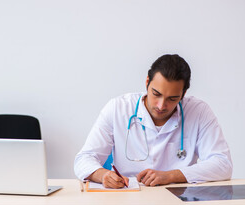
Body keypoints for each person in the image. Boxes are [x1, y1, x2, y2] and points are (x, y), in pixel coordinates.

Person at [74, 54, 232, 189]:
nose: (161, 105)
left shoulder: (199, 111)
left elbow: (222, 164)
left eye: (172, 98)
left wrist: (170, 176)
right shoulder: (118, 108)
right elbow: (84, 159)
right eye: (156, 94)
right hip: (129, 203)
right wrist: (102, 175)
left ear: (183, 94)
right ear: (147, 82)